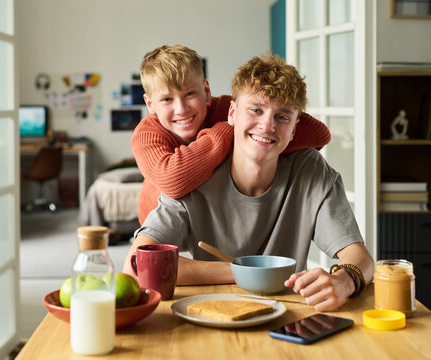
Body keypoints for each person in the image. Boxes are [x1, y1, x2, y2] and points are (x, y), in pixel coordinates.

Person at [124, 53, 374, 312]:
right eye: (255, 110)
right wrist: (248, 272)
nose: (267, 125)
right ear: (232, 113)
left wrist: (345, 281)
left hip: (289, 315)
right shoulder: (192, 172)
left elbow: (361, 258)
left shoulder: (310, 170)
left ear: (295, 128)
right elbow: (136, 264)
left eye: (283, 117)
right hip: (213, 313)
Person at [131, 45, 331, 224]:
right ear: (150, 104)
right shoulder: (147, 134)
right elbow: (172, 181)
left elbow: (319, 134)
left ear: (206, 91)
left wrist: (261, 135)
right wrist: (228, 130)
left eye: (190, 94)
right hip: (160, 228)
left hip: (213, 220)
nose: (181, 109)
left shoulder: (227, 108)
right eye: (166, 99)